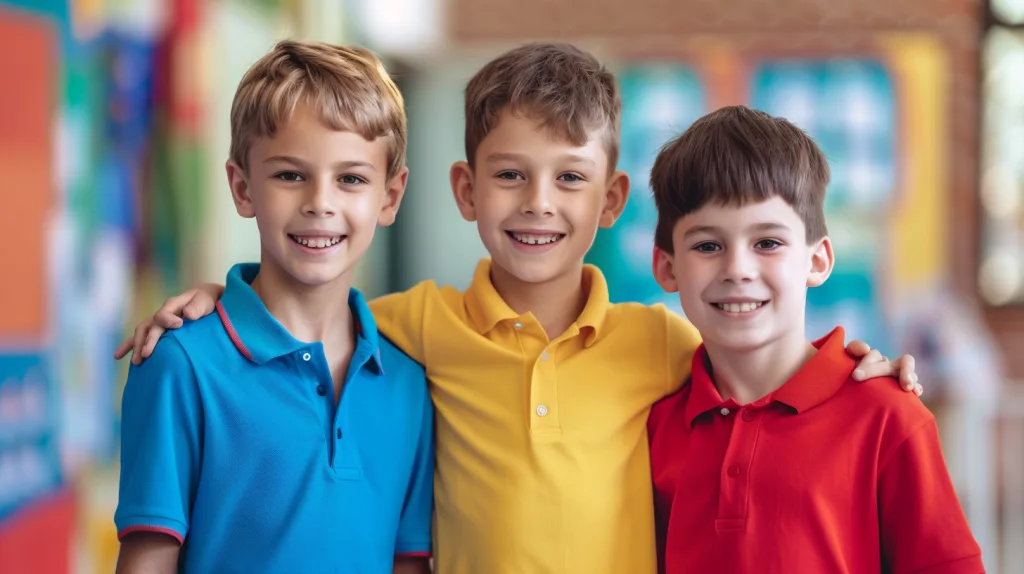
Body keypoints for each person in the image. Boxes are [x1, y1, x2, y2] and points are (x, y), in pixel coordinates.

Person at [115, 43, 921, 574]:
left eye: (569, 178)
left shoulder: (663, 341)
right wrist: (221, 296)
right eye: (509, 176)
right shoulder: (415, 328)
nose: (539, 204)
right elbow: (307, 311)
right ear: (465, 190)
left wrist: (858, 365)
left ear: (610, 200)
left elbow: (759, 354)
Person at [113, 41, 433, 574]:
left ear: (390, 196)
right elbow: (148, 561)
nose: (320, 202)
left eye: (351, 178)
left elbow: (408, 562)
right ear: (243, 187)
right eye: (290, 175)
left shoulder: (409, 383)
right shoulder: (182, 365)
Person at [646, 105, 983, 573]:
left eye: (767, 243)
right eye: (707, 245)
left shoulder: (887, 415)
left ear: (818, 261)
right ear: (667, 266)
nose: (738, 269)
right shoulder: (654, 427)